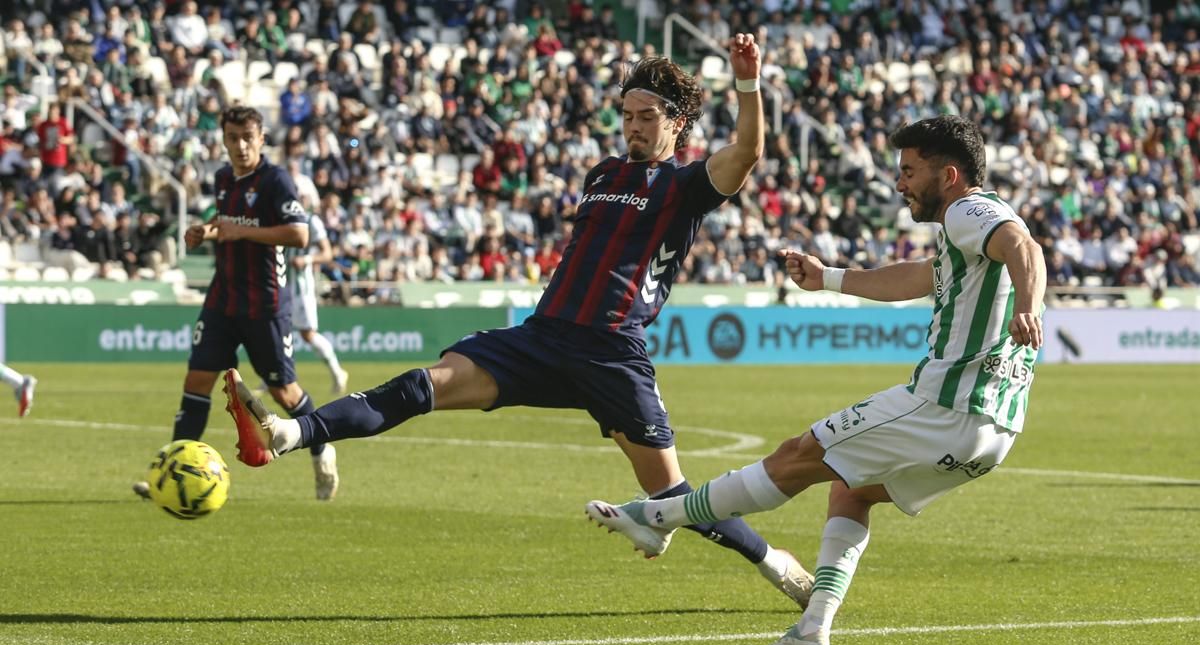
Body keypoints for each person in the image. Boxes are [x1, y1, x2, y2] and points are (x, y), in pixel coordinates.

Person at [223, 37, 817, 606]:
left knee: (670, 495)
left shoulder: (686, 185)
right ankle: (290, 434)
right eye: (627, 114)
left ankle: (773, 561)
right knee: (419, 386)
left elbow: (747, 152)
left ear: (677, 123)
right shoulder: (603, 174)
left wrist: (747, 82)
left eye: (646, 116)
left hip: (610, 351)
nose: (633, 126)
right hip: (541, 336)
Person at [585, 116, 1047, 645]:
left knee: (797, 455)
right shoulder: (961, 239)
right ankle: (811, 630)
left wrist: (1029, 307)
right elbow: (916, 277)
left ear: (948, 175)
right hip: (995, 431)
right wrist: (828, 277)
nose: (899, 183)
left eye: (908, 170)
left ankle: (656, 517)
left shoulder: (970, 209)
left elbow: (1024, 245)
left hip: (945, 406)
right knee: (851, 487)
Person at [133, 105, 340, 501]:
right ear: (224, 139)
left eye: (248, 137)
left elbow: (298, 235)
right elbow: (227, 218)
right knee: (196, 381)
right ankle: (171, 473)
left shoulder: (276, 180)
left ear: (261, 139)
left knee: (286, 393)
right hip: (222, 299)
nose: (241, 145)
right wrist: (206, 231)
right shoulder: (224, 177)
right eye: (233, 138)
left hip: (264, 304)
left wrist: (240, 232)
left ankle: (320, 447)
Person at [278, 195, 350, 395]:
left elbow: (327, 254)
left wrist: (306, 259)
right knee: (277, 328)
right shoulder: (281, 220)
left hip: (301, 286)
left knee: (307, 333)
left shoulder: (312, 221)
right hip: (282, 284)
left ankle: (337, 372)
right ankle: (273, 378)